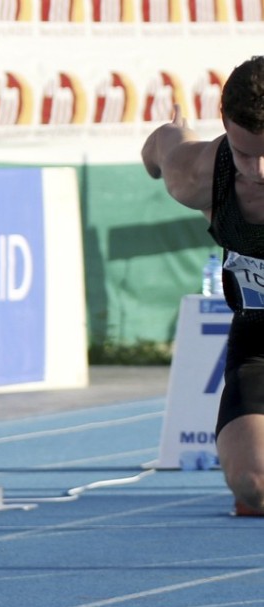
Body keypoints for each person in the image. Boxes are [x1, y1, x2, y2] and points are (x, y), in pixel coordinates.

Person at [142, 55, 264, 515]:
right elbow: (165, 150)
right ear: (225, 126)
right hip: (259, 335)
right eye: (246, 152)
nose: (259, 171)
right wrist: (161, 143)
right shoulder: (197, 174)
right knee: (253, 485)